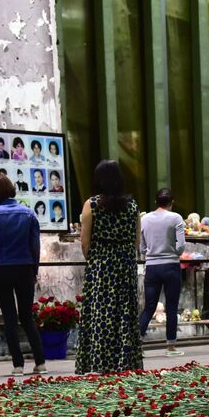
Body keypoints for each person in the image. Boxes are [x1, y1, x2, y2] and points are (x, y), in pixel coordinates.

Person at [75, 159, 142, 374]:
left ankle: (97, 363)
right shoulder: (132, 205)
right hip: (125, 263)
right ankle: (126, 362)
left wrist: (96, 259)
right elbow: (136, 240)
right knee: (125, 313)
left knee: (100, 313)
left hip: (101, 264)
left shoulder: (92, 205)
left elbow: (85, 242)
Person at [0, 173, 45, 376]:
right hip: (25, 267)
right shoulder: (28, 213)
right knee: (27, 316)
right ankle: (40, 362)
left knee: (9, 317)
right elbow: (35, 245)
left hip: (1, 270)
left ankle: (18, 365)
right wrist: (34, 269)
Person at [139, 188, 186, 357]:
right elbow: (181, 245)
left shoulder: (144, 219)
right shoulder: (176, 218)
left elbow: (141, 246)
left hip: (151, 267)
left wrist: (151, 254)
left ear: (156, 202)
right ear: (171, 203)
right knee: (171, 307)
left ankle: (138, 344)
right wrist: (174, 252)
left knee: (149, 307)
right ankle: (171, 347)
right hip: (171, 266)